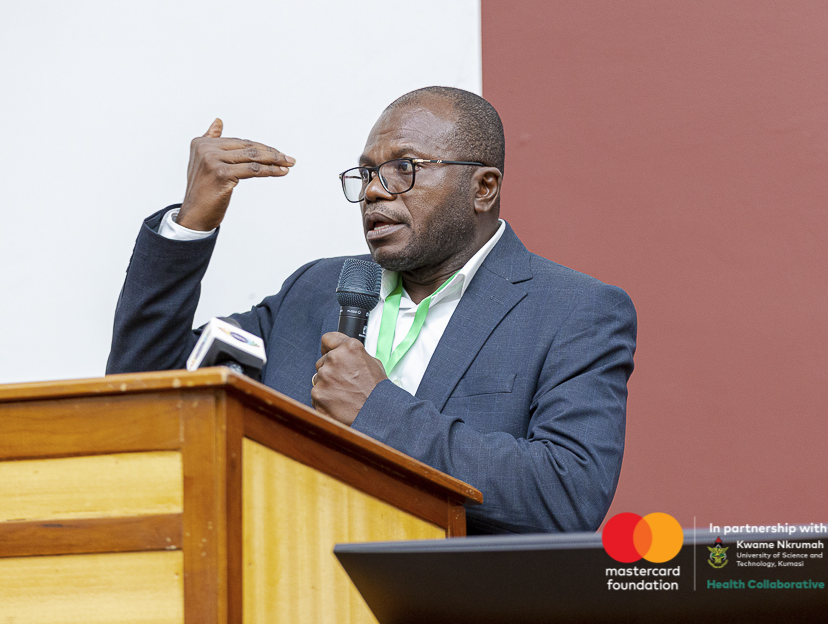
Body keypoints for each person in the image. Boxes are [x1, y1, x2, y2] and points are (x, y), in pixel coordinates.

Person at [107, 86, 636, 534]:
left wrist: (377, 410)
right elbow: (145, 393)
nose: (375, 192)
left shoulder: (572, 312)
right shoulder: (316, 289)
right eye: (366, 174)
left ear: (483, 188)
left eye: (404, 168)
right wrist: (192, 222)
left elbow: (568, 493)